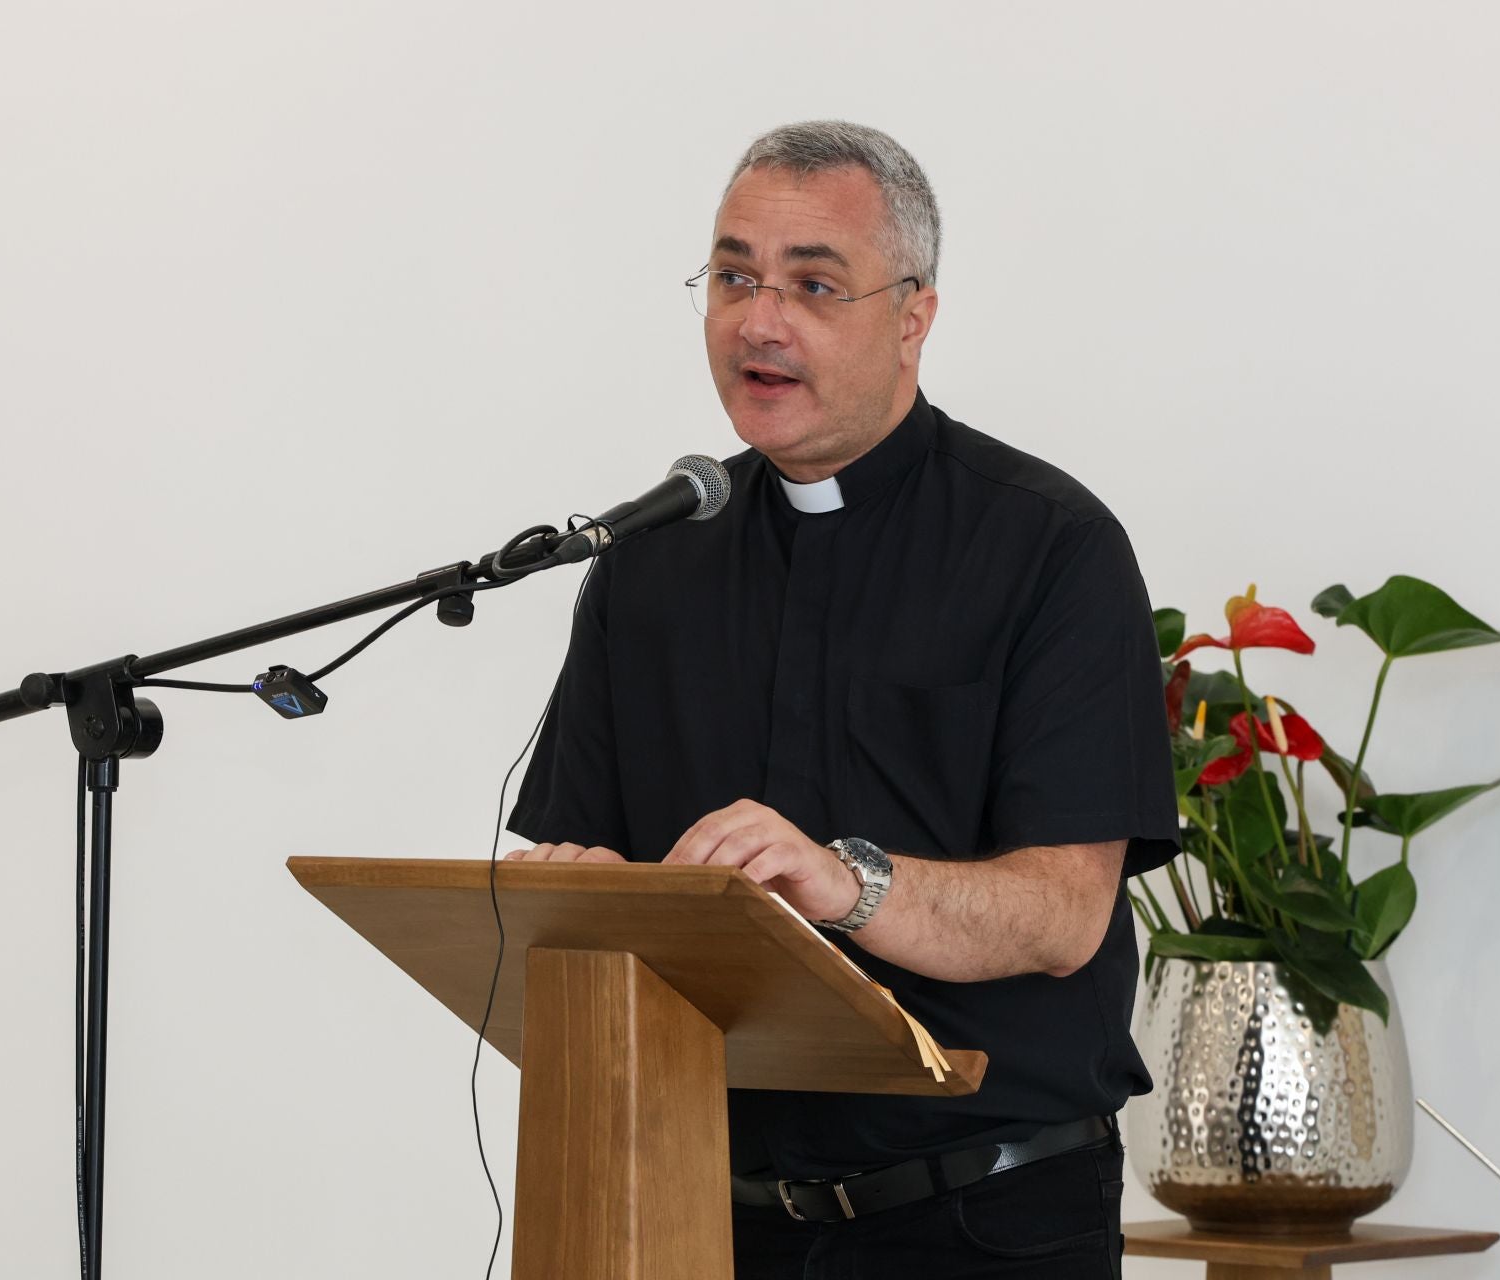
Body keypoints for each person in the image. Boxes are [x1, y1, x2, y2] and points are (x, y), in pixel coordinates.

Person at [504, 120, 1178, 1279]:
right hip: (702, 1215)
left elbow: (1064, 914)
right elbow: (593, 857)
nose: (759, 321)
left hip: (983, 1222)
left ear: (913, 315)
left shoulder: (1049, 546)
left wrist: (844, 879)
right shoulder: (651, 561)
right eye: (734, 278)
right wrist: (580, 894)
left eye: (814, 285)